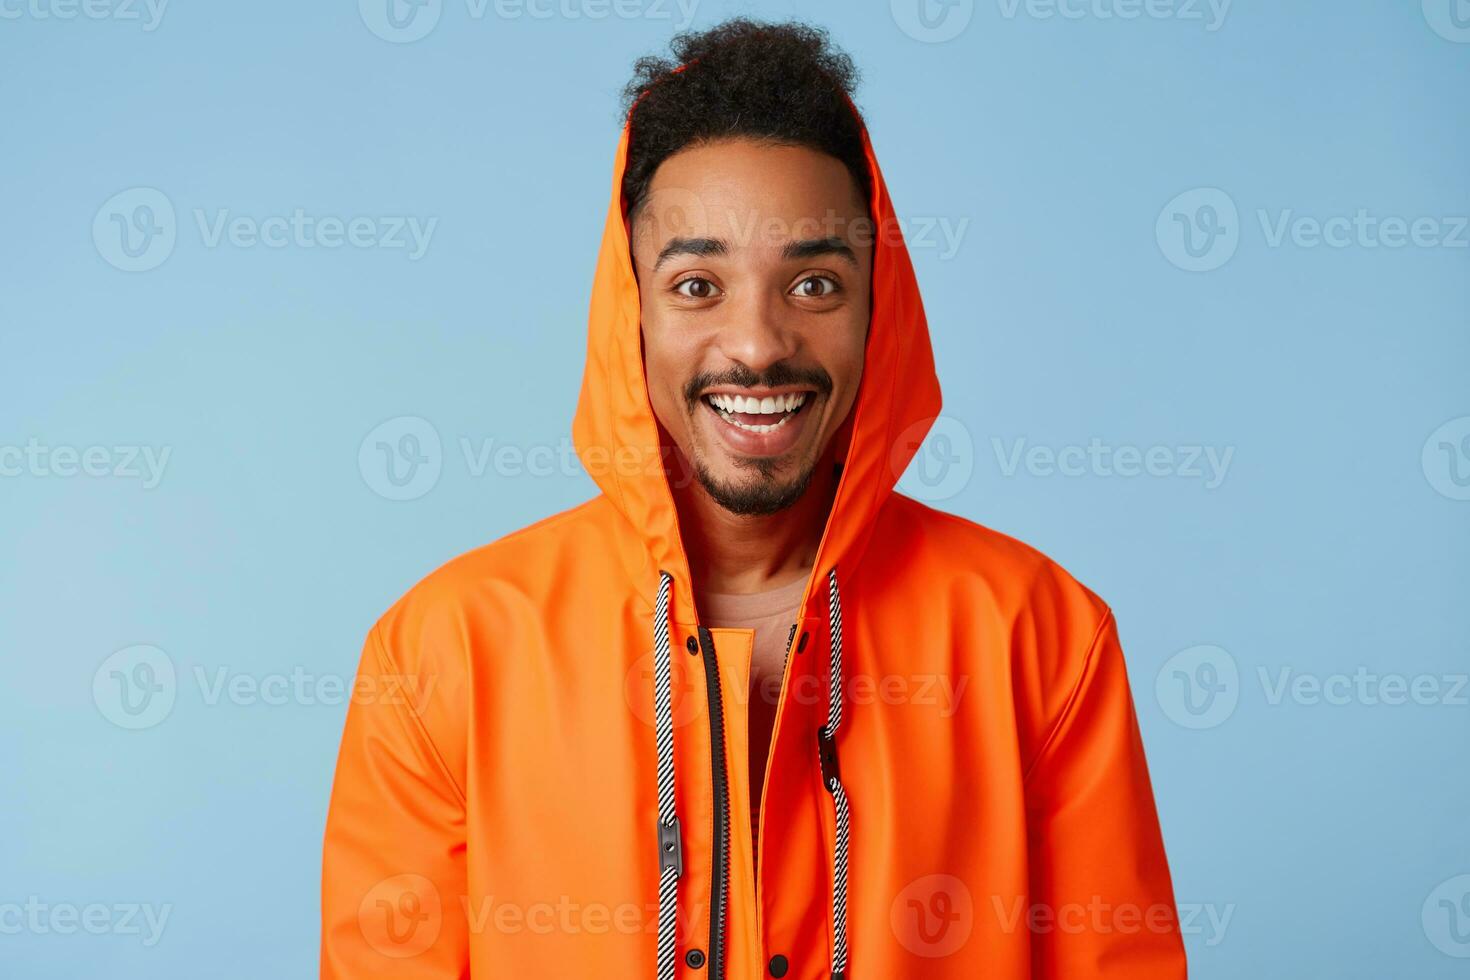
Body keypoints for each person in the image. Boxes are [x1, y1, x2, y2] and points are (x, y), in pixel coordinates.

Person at [321, 19, 1186, 979]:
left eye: (814, 282)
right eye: (698, 284)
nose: (758, 344)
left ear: (879, 305)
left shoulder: (1042, 639)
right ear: (630, 310)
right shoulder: (444, 654)